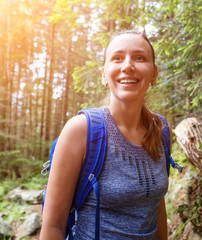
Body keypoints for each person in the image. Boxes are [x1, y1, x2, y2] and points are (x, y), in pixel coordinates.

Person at [40, 30, 169, 240]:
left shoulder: (160, 130)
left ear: (154, 74)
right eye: (117, 58)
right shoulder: (81, 131)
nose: (128, 66)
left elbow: (155, 204)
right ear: (104, 75)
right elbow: (53, 226)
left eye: (139, 57)